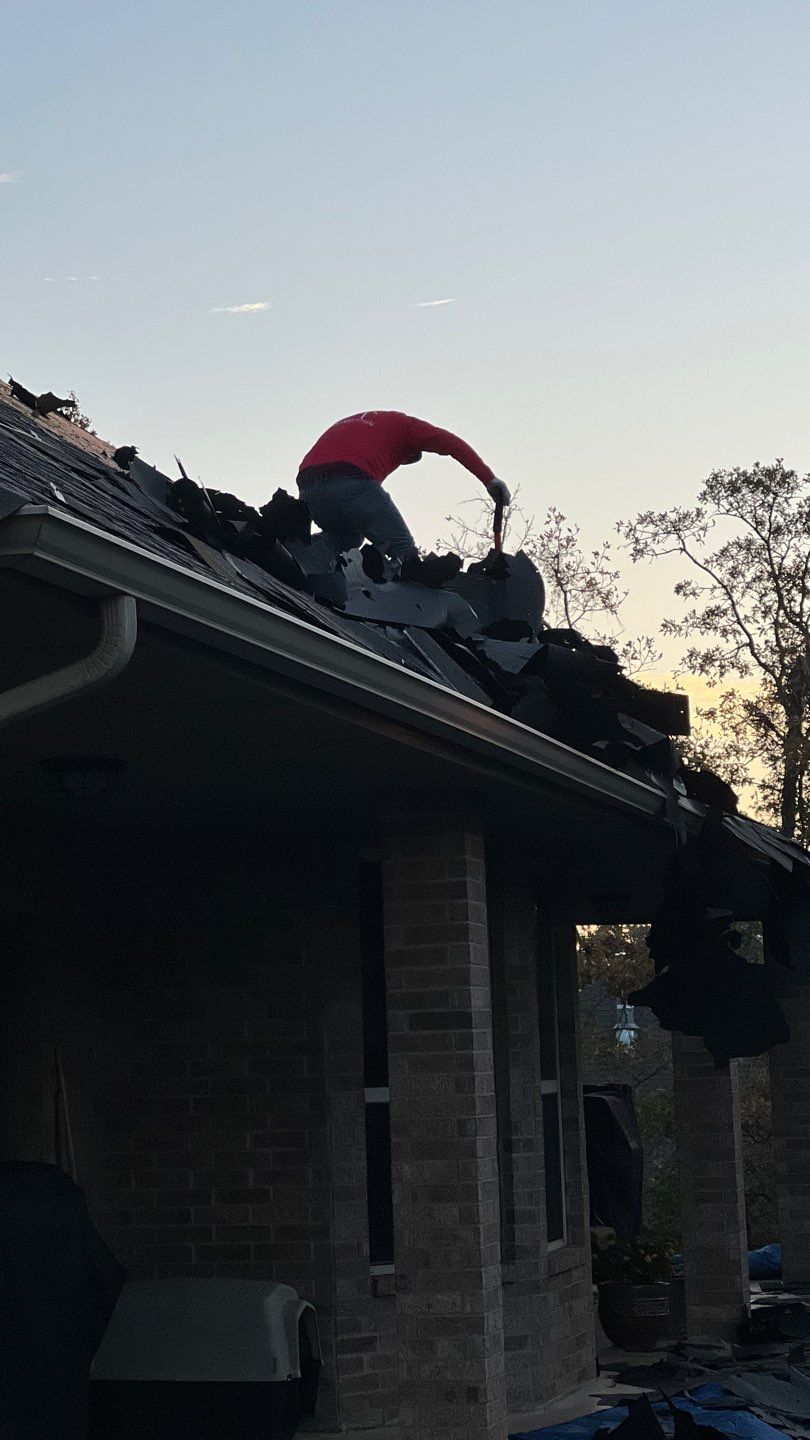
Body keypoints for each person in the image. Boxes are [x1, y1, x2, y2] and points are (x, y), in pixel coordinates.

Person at [297, 410, 510, 563]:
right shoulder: (409, 427)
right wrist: (489, 480)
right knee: (403, 550)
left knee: (346, 538)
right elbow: (452, 444)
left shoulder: (362, 423)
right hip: (351, 480)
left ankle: (298, 554)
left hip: (309, 490)